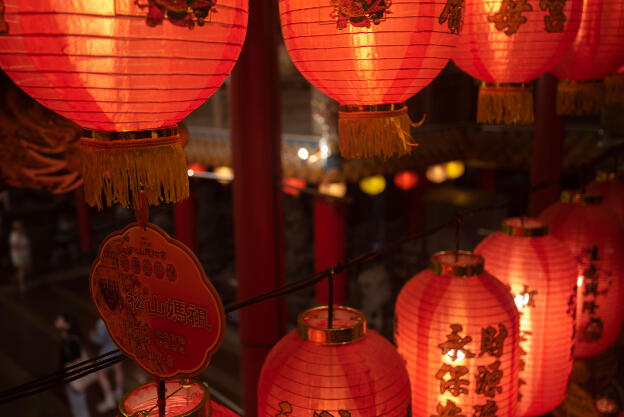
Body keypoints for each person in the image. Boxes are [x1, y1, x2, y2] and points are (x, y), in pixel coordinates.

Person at [55, 313, 92, 417]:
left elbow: (77, 361)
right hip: (71, 378)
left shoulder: (71, 340)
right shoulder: (68, 337)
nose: (56, 321)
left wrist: (71, 373)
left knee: (79, 407)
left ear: (67, 324)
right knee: (78, 405)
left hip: (73, 378)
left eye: (59, 319)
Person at [90, 318, 124, 413]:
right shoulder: (118, 318)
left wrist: (92, 335)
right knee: (118, 369)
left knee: (100, 374)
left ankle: (109, 399)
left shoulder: (102, 322)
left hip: (107, 351)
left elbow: (99, 340)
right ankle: (119, 392)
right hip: (118, 348)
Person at [9, 220, 30, 292]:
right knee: (21, 270)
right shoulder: (14, 235)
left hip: (25, 254)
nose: (20, 229)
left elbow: (27, 243)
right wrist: (23, 247)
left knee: (24, 269)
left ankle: (16, 278)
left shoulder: (23, 234)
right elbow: (14, 246)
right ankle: (22, 286)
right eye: (18, 227)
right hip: (18, 255)